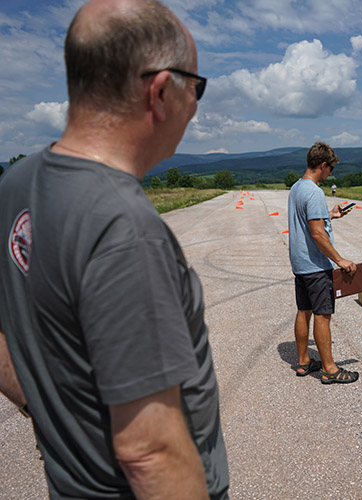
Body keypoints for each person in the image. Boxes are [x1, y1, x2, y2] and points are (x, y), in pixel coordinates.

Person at [0, 1, 229, 498]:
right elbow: (151, 452)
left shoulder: (16, 183)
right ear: (160, 91)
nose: (195, 105)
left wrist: (55, 415)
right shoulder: (125, 229)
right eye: (196, 87)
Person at [288, 142, 359, 384]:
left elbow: (308, 220)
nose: (330, 174)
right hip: (316, 266)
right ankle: (329, 369)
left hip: (300, 264)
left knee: (303, 311)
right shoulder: (315, 192)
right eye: (331, 169)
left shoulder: (297, 188)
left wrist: (331, 214)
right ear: (323, 165)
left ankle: (303, 361)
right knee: (322, 314)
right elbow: (317, 233)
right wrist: (339, 259)